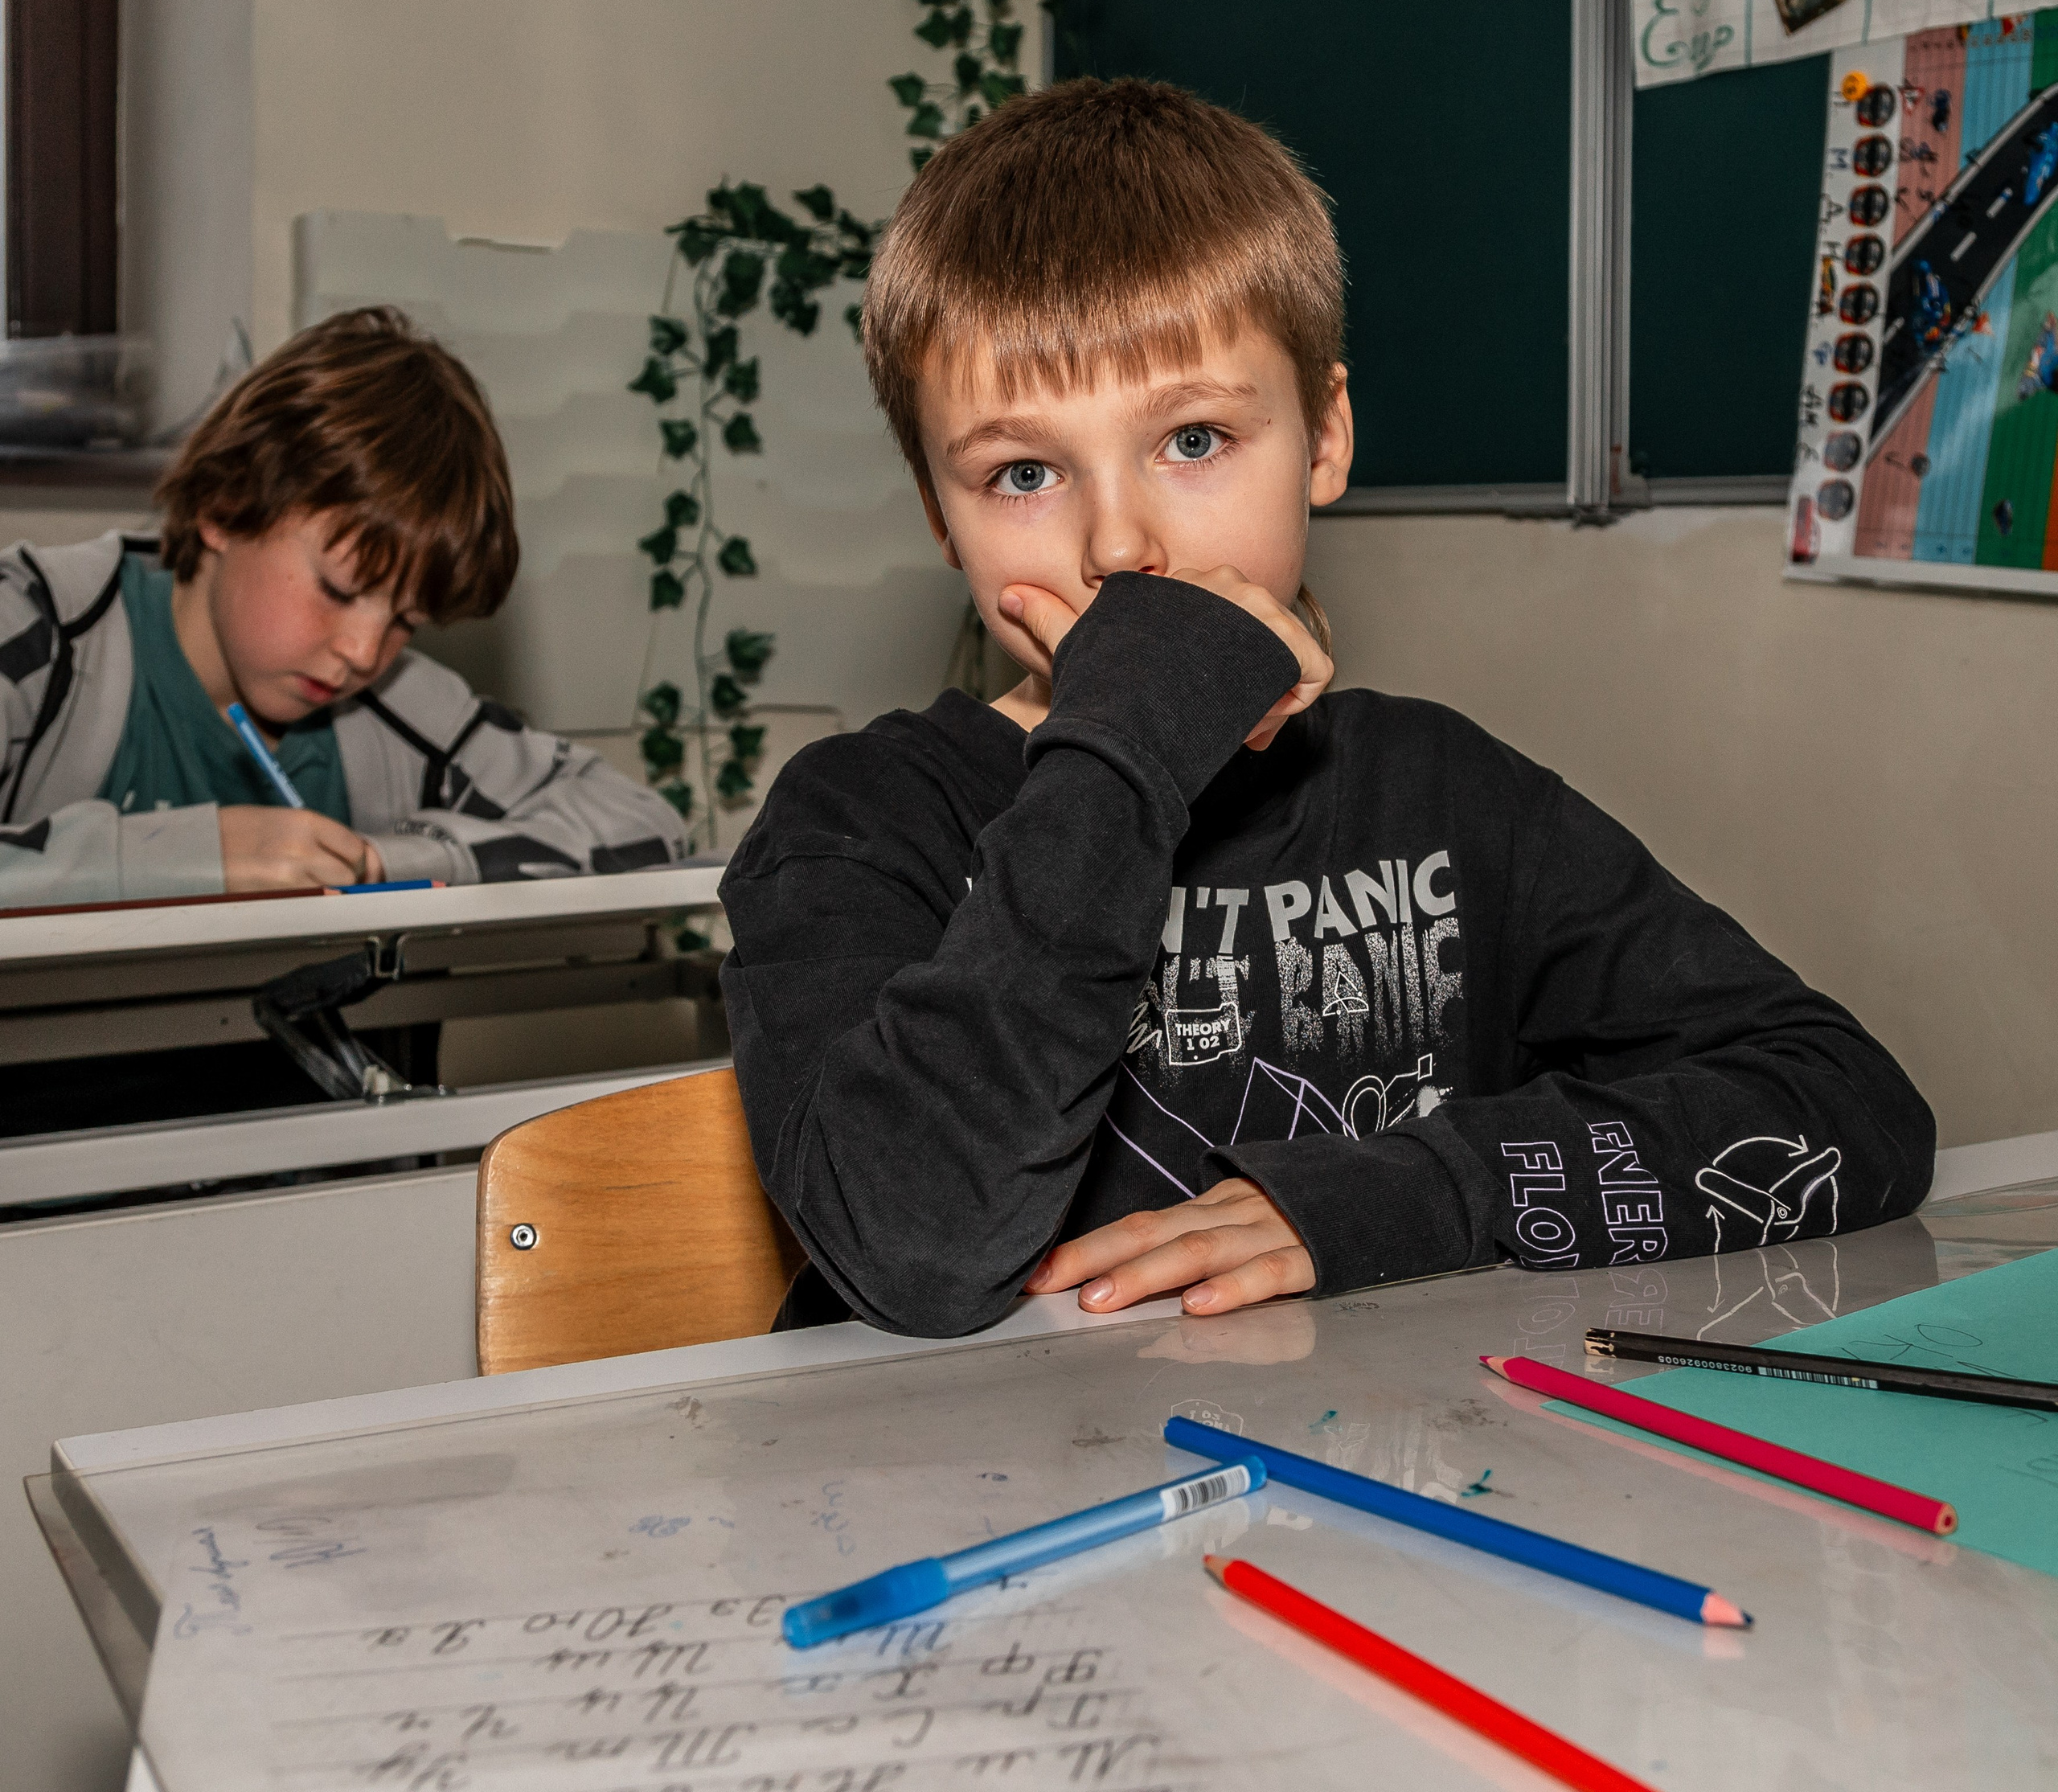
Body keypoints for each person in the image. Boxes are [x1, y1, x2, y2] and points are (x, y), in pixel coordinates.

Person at [718, 79, 1933, 1342]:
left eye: (1192, 439)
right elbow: (913, 1249)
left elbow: (1847, 1104)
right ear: (938, 514)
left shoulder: (1444, 791)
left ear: (1324, 438)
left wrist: (1413, 1192)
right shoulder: (857, 823)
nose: (1120, 543)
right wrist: (1129, 741)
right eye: (1022, 473)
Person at [0, 306, 686, 907]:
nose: (364, 653)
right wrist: (182, 858)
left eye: (406, 621)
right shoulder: (33, 626)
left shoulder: (400, 708)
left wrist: (386, 860)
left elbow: (645, 827)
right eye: (337, 590)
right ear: (225, 506)